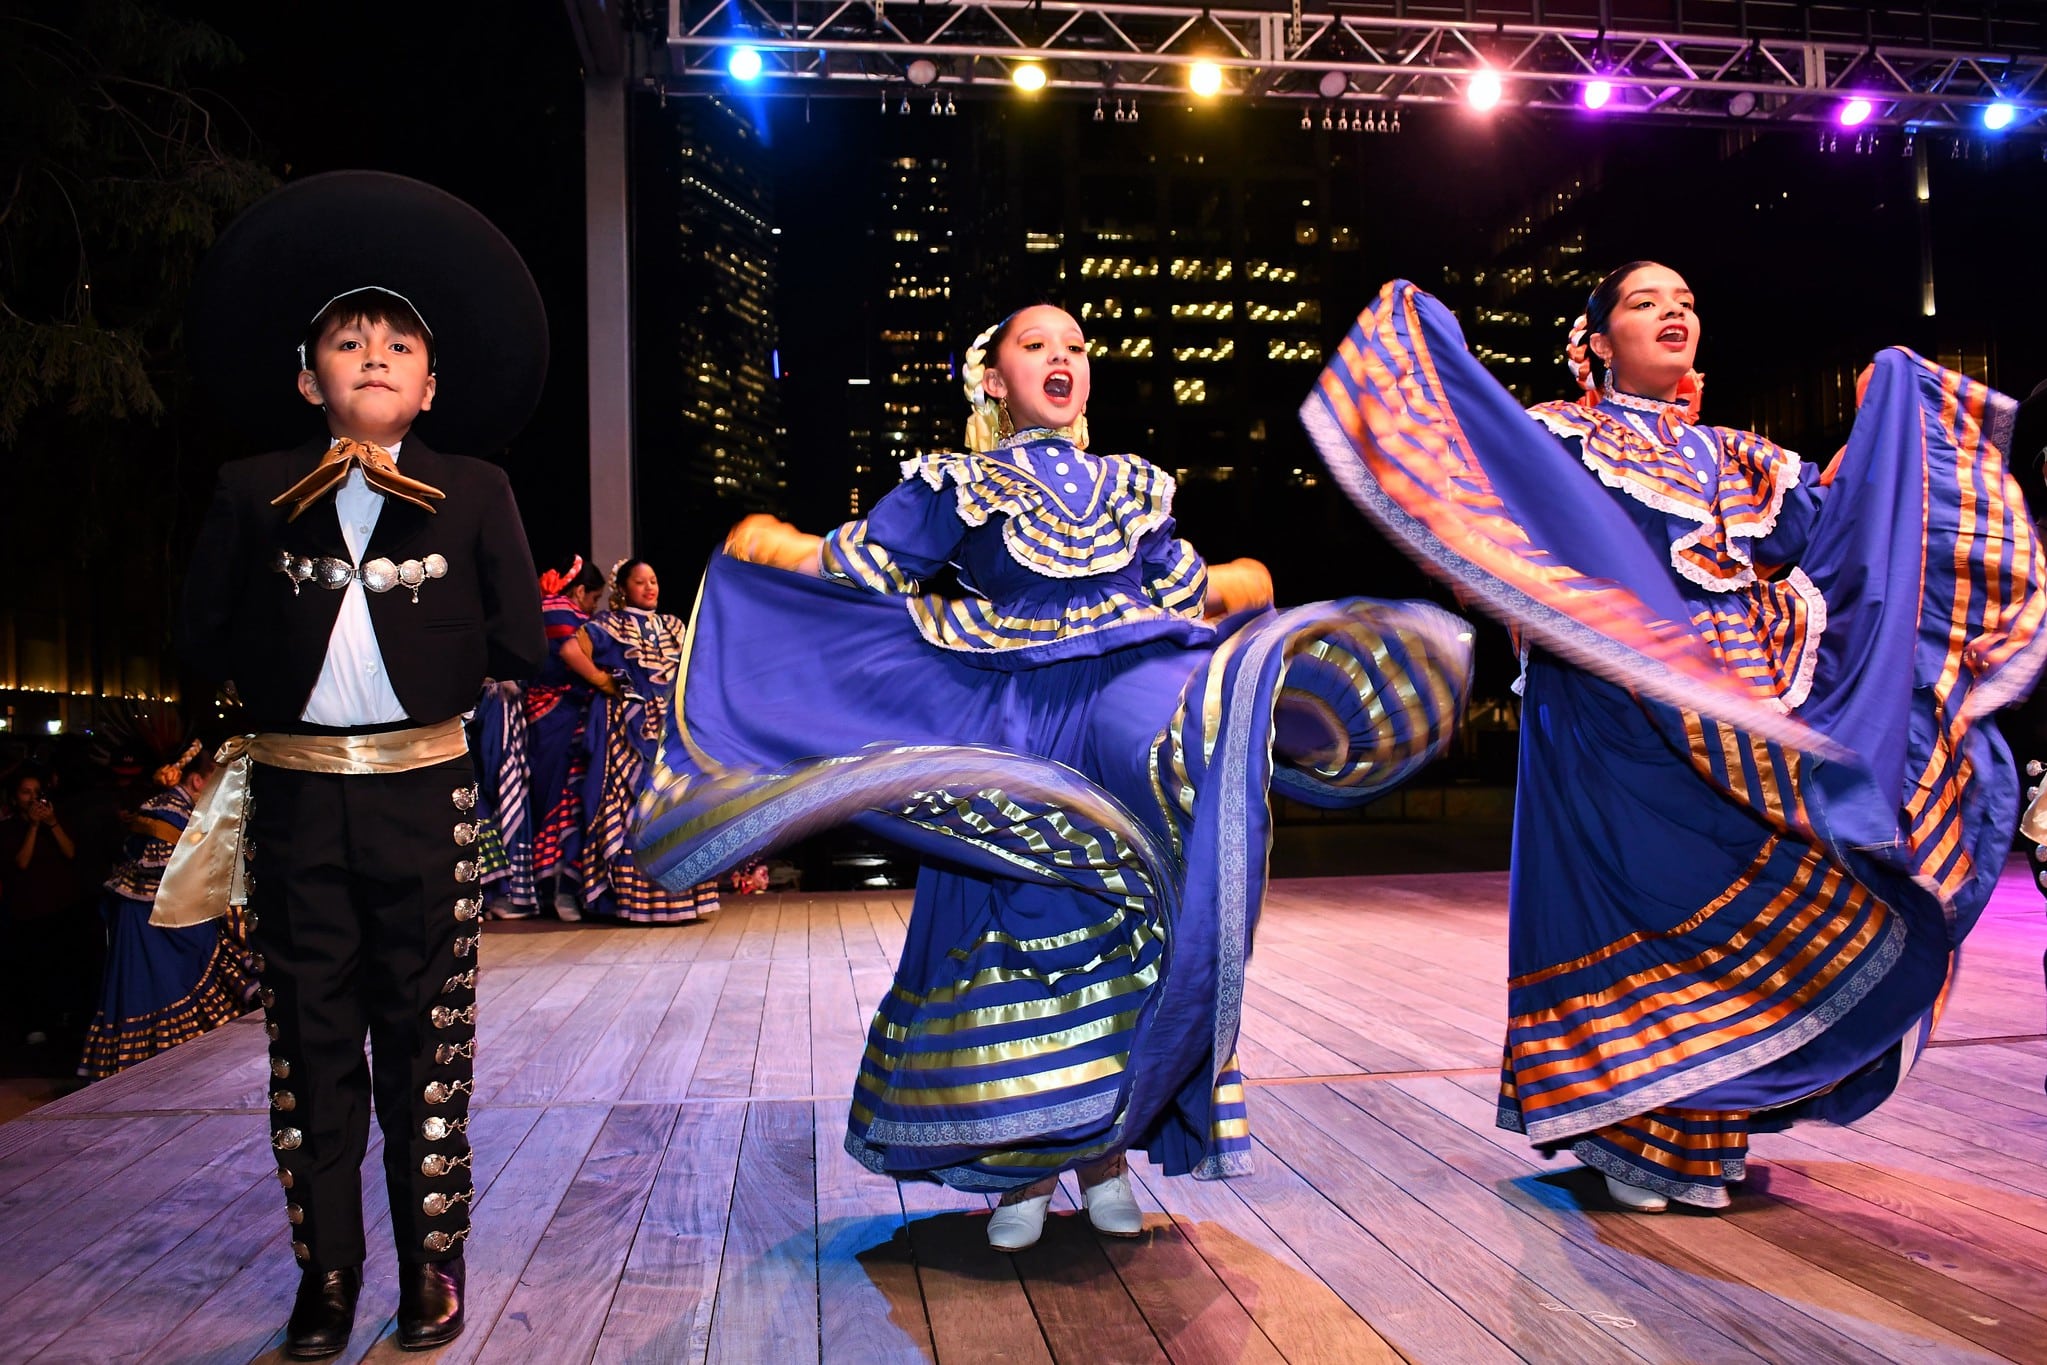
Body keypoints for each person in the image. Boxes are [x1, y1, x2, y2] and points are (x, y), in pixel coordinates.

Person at [631, 303, 1473, 1250]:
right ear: (994, 379)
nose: (1061, 357)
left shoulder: (1131, 484)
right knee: (1024, 915)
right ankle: (1021, 1169)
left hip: (1124, 698)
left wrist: (1241, 584)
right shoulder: (959, 480)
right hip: (1018, 713)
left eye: (1075, 346)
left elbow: (1179, 585)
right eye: (1037, 345)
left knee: (1142, 901)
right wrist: (779, 547)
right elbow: (868, 562)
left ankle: (1107, 1150)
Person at [1302, 267, 2045, 1211]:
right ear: (1598, 342)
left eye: (1687, 300)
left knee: (1726, 904)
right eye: (1646, 301)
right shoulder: (1556, 435)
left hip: (1736, 710)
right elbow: (1484, 513)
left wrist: (1887, 422)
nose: (1674, 312)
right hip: (1610, 706)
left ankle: (1704, 1132)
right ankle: (1630, 1137)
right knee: (1627, 902)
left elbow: (1847, 536)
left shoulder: (1744, 460)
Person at [166, 172, 547, 1357]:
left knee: (425, 1043)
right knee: (310, 1049)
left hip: (425, 802)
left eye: (397, 345)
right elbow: (196, 637)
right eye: (347, 341)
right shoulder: (248, 491)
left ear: (430, 385)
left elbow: (523, 642)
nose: (372, 357)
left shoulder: (478, 489)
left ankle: (430, 1270)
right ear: (306, 376)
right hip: (292, 806)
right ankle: (325, 1276)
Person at [78, 742, 257, 1078]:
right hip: (149, 921)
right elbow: (168, 873)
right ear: (198, 781)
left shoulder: (179, 808)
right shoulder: (165, 810)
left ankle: (173, 1069)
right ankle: (148, 1070)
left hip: (159, 915)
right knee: (157, 987)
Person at [564, 559, 721, 923]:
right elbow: (572, 651)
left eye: (653, 580)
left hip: (672, 732)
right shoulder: (610, 624)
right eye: (640, 582)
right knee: (631, 808)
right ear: (623, 589)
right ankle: (633, 904)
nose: (650, 587)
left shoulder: (673, 625)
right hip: (629, 735)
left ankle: (680, 899)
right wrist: (603, 682)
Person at [476, 553, 608, 920]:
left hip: (570, 716)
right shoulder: (555, 607)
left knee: (571, 799)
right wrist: (604, 681)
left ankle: (562, 890)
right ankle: (557, 891)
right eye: (594, 599)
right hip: (553, 717)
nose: (594, 606)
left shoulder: (558, 608)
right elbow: (569, 651)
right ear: (580, 590)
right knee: (557, 800)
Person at [3, 770, 81, 1048]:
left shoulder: (56, 823)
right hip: (27, 911)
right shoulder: (9, 828)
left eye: (37, 791)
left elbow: (71, 852)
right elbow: (21, 862)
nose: (33, 798)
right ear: (15, 797)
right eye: (26, 792)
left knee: (60, 966)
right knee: (31, 970)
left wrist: (51, 823)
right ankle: (33, 1024)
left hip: (60, 907)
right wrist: (34, 827)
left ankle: (61, 1018)